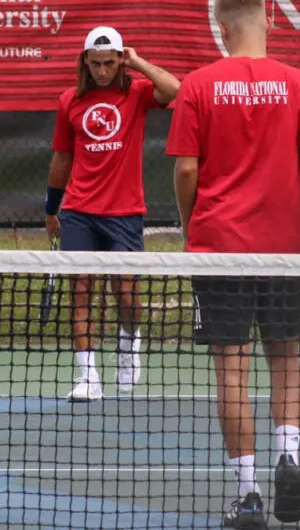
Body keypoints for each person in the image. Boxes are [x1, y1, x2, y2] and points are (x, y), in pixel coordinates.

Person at [165, 0, 300, 528]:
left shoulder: (197, 86)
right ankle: (288, 456)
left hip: (219, 248)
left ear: (223, 31)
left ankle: (248, 495)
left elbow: (186, 170)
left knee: (231, 371)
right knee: (287, 360)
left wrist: (188, 224)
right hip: (283, 251)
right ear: (268, 22)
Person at [45, 26, 181, 401]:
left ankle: (128, 341)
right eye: (95, 64)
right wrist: (51, 209)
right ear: (85, 63)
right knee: (81, 292)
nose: (102, 71)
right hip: (78, 211)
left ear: (119, 60)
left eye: (109, 63)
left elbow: (175, 90)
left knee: (127, 297)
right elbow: (61, 157)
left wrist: (136, 61)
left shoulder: (136, 93)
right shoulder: (69, 101)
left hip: (124, 213)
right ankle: (89, 378)